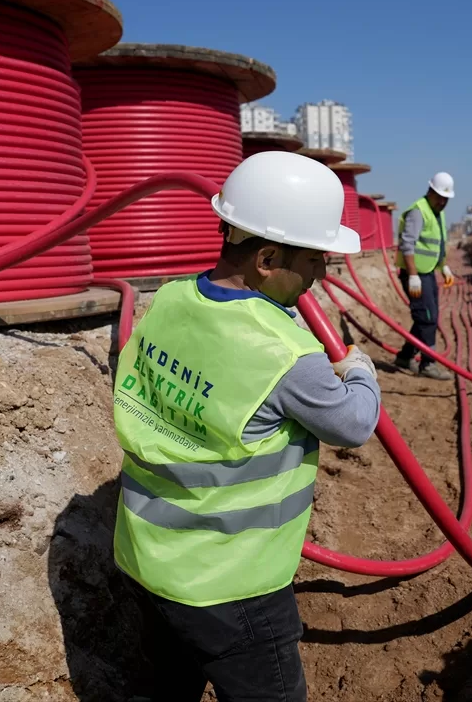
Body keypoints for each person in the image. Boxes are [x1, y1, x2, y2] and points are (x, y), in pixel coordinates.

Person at [112, 151, 381, 702]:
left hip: (148, 562)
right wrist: (360, 371)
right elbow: (353, 424)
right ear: (267, 257)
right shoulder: (284, 352)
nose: (321, 273)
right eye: (315, 259)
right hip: (233, 585)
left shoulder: (169, 301)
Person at [393, 171, 456, 380]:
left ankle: (405, 356)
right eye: (440, 197)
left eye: (446, 199)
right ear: (430, 191)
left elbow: (436, 244)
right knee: (427, 318)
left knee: (427, 317)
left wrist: (443, 267)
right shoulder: (419, 211)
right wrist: (412, 275)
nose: (443, 202)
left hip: (427, 273)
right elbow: (407, 244)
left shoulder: (437, 212)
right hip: (416, 275)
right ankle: (428, 364)